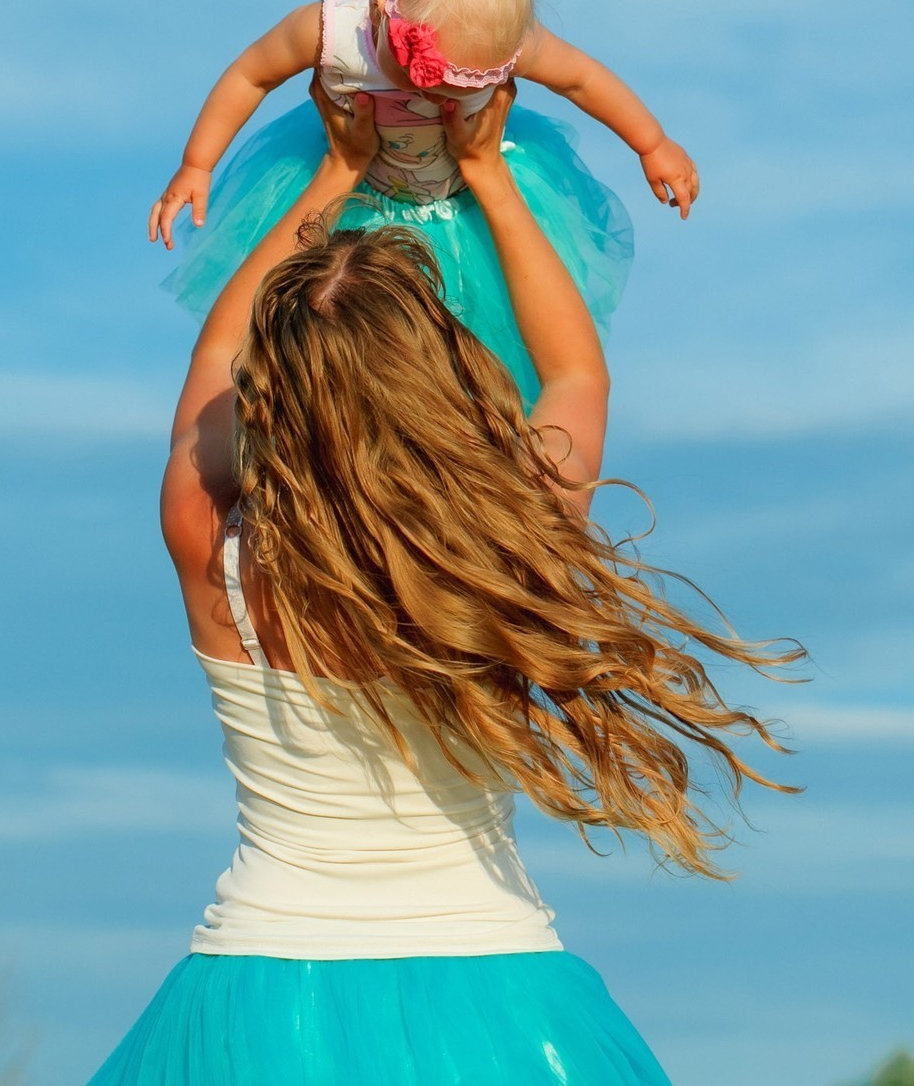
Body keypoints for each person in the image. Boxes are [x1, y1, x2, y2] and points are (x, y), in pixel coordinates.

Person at [90, 80, 798, 1084]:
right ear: (442, 367)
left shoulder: (211, 536)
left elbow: (214, 356)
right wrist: (486, 174)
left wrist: (334, 172)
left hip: (260, 987)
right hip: (498, 981)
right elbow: (576, 373)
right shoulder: (510, 538)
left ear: (270, 387)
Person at [145, 0, 699, 404]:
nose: (428, 95)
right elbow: (250, 75)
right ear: (382, 11)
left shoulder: (506, 42)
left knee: (477, 345)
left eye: (452, 91)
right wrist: (198, 164)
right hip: (356, 204)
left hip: (465, 206)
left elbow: (581, 79)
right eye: (416, 79)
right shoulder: (334, 29)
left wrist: (651, 143)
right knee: (333, 340)